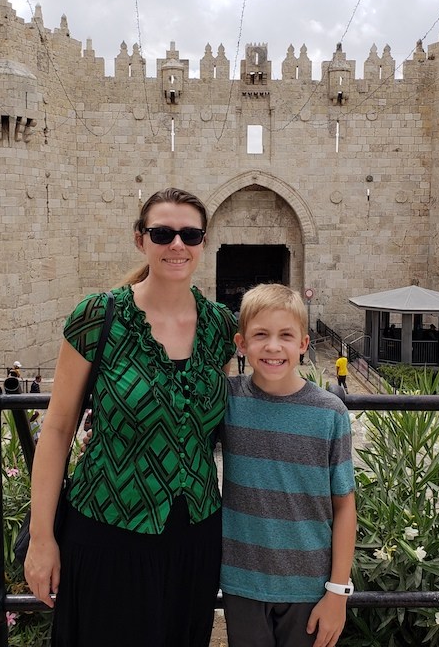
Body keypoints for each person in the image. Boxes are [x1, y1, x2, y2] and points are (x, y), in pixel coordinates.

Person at [24, 187, 237, 647]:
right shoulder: (98, 317)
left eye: (189, 234)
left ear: (203, 242)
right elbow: (58, 429)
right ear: (141, 239)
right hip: (108, 530)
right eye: (162, 233)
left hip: (195, 538)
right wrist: (42, 539)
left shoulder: (221, 326)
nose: (176, 245)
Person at [221, 284, 356, 647]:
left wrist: (338, 592)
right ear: (241, 343)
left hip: (310, 585)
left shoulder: (329, 413)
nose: (273, 346)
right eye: (260, 335)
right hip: (243, 580)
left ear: (303, 344)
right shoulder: (229, 400)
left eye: (285, 335)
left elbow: (345, 506)